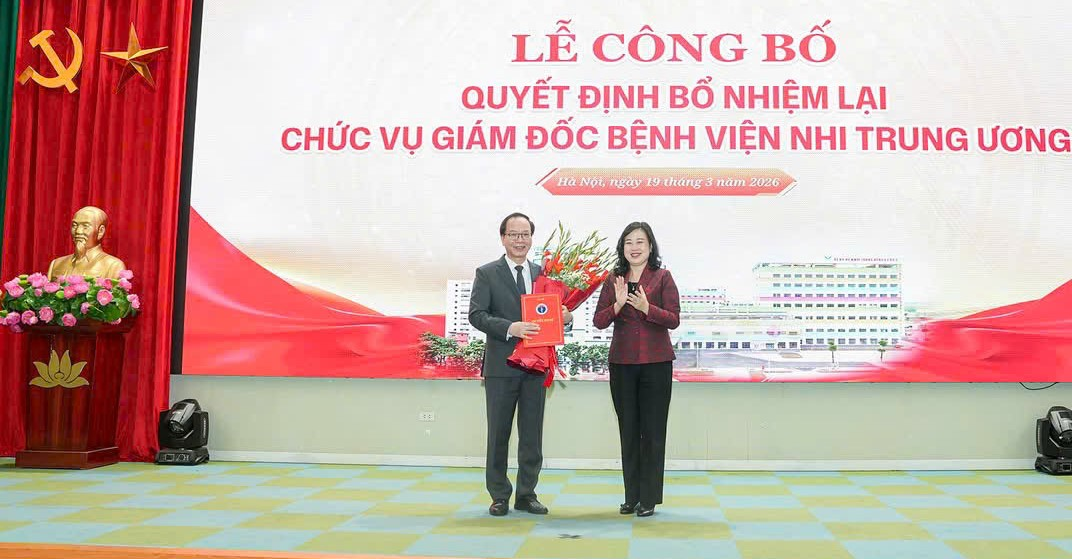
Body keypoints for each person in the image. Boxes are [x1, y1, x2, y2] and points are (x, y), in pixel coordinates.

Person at [469, 212, 571, 517]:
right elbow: (477, 315)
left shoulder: (543, 274)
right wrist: (510, 328)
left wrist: (566, 317)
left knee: (531, 435)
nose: (519, 240)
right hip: (501, 367)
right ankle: (499, 495)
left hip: (535, 367)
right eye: (513, 234)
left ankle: (527, 494)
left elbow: (551, 314)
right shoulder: (487, 273)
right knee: (498, 435)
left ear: (531, 238)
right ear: (503, 238)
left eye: (525, 234)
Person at [592, 221, 680, 517]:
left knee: (652, 432)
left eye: (640, 241)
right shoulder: (613, 279)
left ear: (650, 246)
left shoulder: (663, 277)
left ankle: (649, 498)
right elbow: (599, 321)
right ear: (622, 247)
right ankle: (631, 497)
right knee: (628, 431)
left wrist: (646, 308)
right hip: (622, 364)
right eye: (629, 242)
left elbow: (673, 319)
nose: (634, 247)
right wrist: (618, 304)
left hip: (656, 364)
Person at [46, 206, 127, 280]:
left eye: (85, 226)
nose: (78, 231)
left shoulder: (113, 266)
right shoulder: (56, 264)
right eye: (74, 225)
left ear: (100, 231)